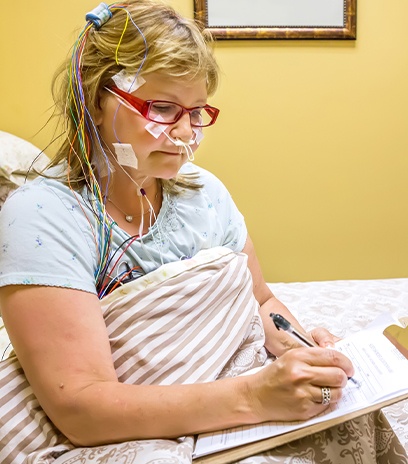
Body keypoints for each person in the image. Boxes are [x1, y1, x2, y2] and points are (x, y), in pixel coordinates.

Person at [0, 1, 406, 463]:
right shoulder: (42, 217)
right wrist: (255, 397)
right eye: (163, 108)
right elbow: (81, 409)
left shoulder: (203, 193)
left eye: (196, 113)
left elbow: (261, 301)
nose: (186, 135)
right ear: (96, 99)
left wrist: (304, 353)